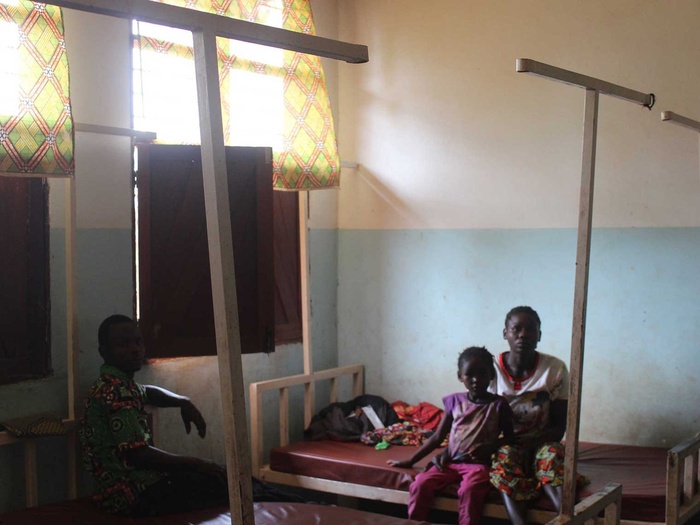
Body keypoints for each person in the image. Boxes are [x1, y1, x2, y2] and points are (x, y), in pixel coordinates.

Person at [79, 314, 230, 516]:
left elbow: (146, 392)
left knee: (225, 479)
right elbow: (139, 455)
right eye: (124, 344)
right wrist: (198, 463)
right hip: (130, 495)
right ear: (104, 352)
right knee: (226, 483)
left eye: (138, 342)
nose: (135, 349)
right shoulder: (114, 392)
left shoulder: (116, 384)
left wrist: (182, 401)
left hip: (138, 486)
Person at [387, 346, 515, 525]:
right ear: (460, 376)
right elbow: (438, 437)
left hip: (478, 465)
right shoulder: (454, 401)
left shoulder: (498, 405)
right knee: (420, 483)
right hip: (450, 462)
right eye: (469, 374)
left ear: (492, 375)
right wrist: (410, 461)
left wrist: (490, 448)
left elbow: (510, 437)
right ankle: (415, 522)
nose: (476, 379)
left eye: (482, 373)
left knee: (470, 490)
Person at [489, 306, 571, 525]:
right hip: (507, 443)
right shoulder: (491, 369)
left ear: (539, 335)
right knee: (505, 458)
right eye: (516, 329)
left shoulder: (554, 369)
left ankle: (568, 518)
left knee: (551, 456)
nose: (523, 335)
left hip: (543, 441)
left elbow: (559, 427)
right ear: (505, 333)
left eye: (530, 330)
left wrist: (532, 446)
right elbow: (485, 420)